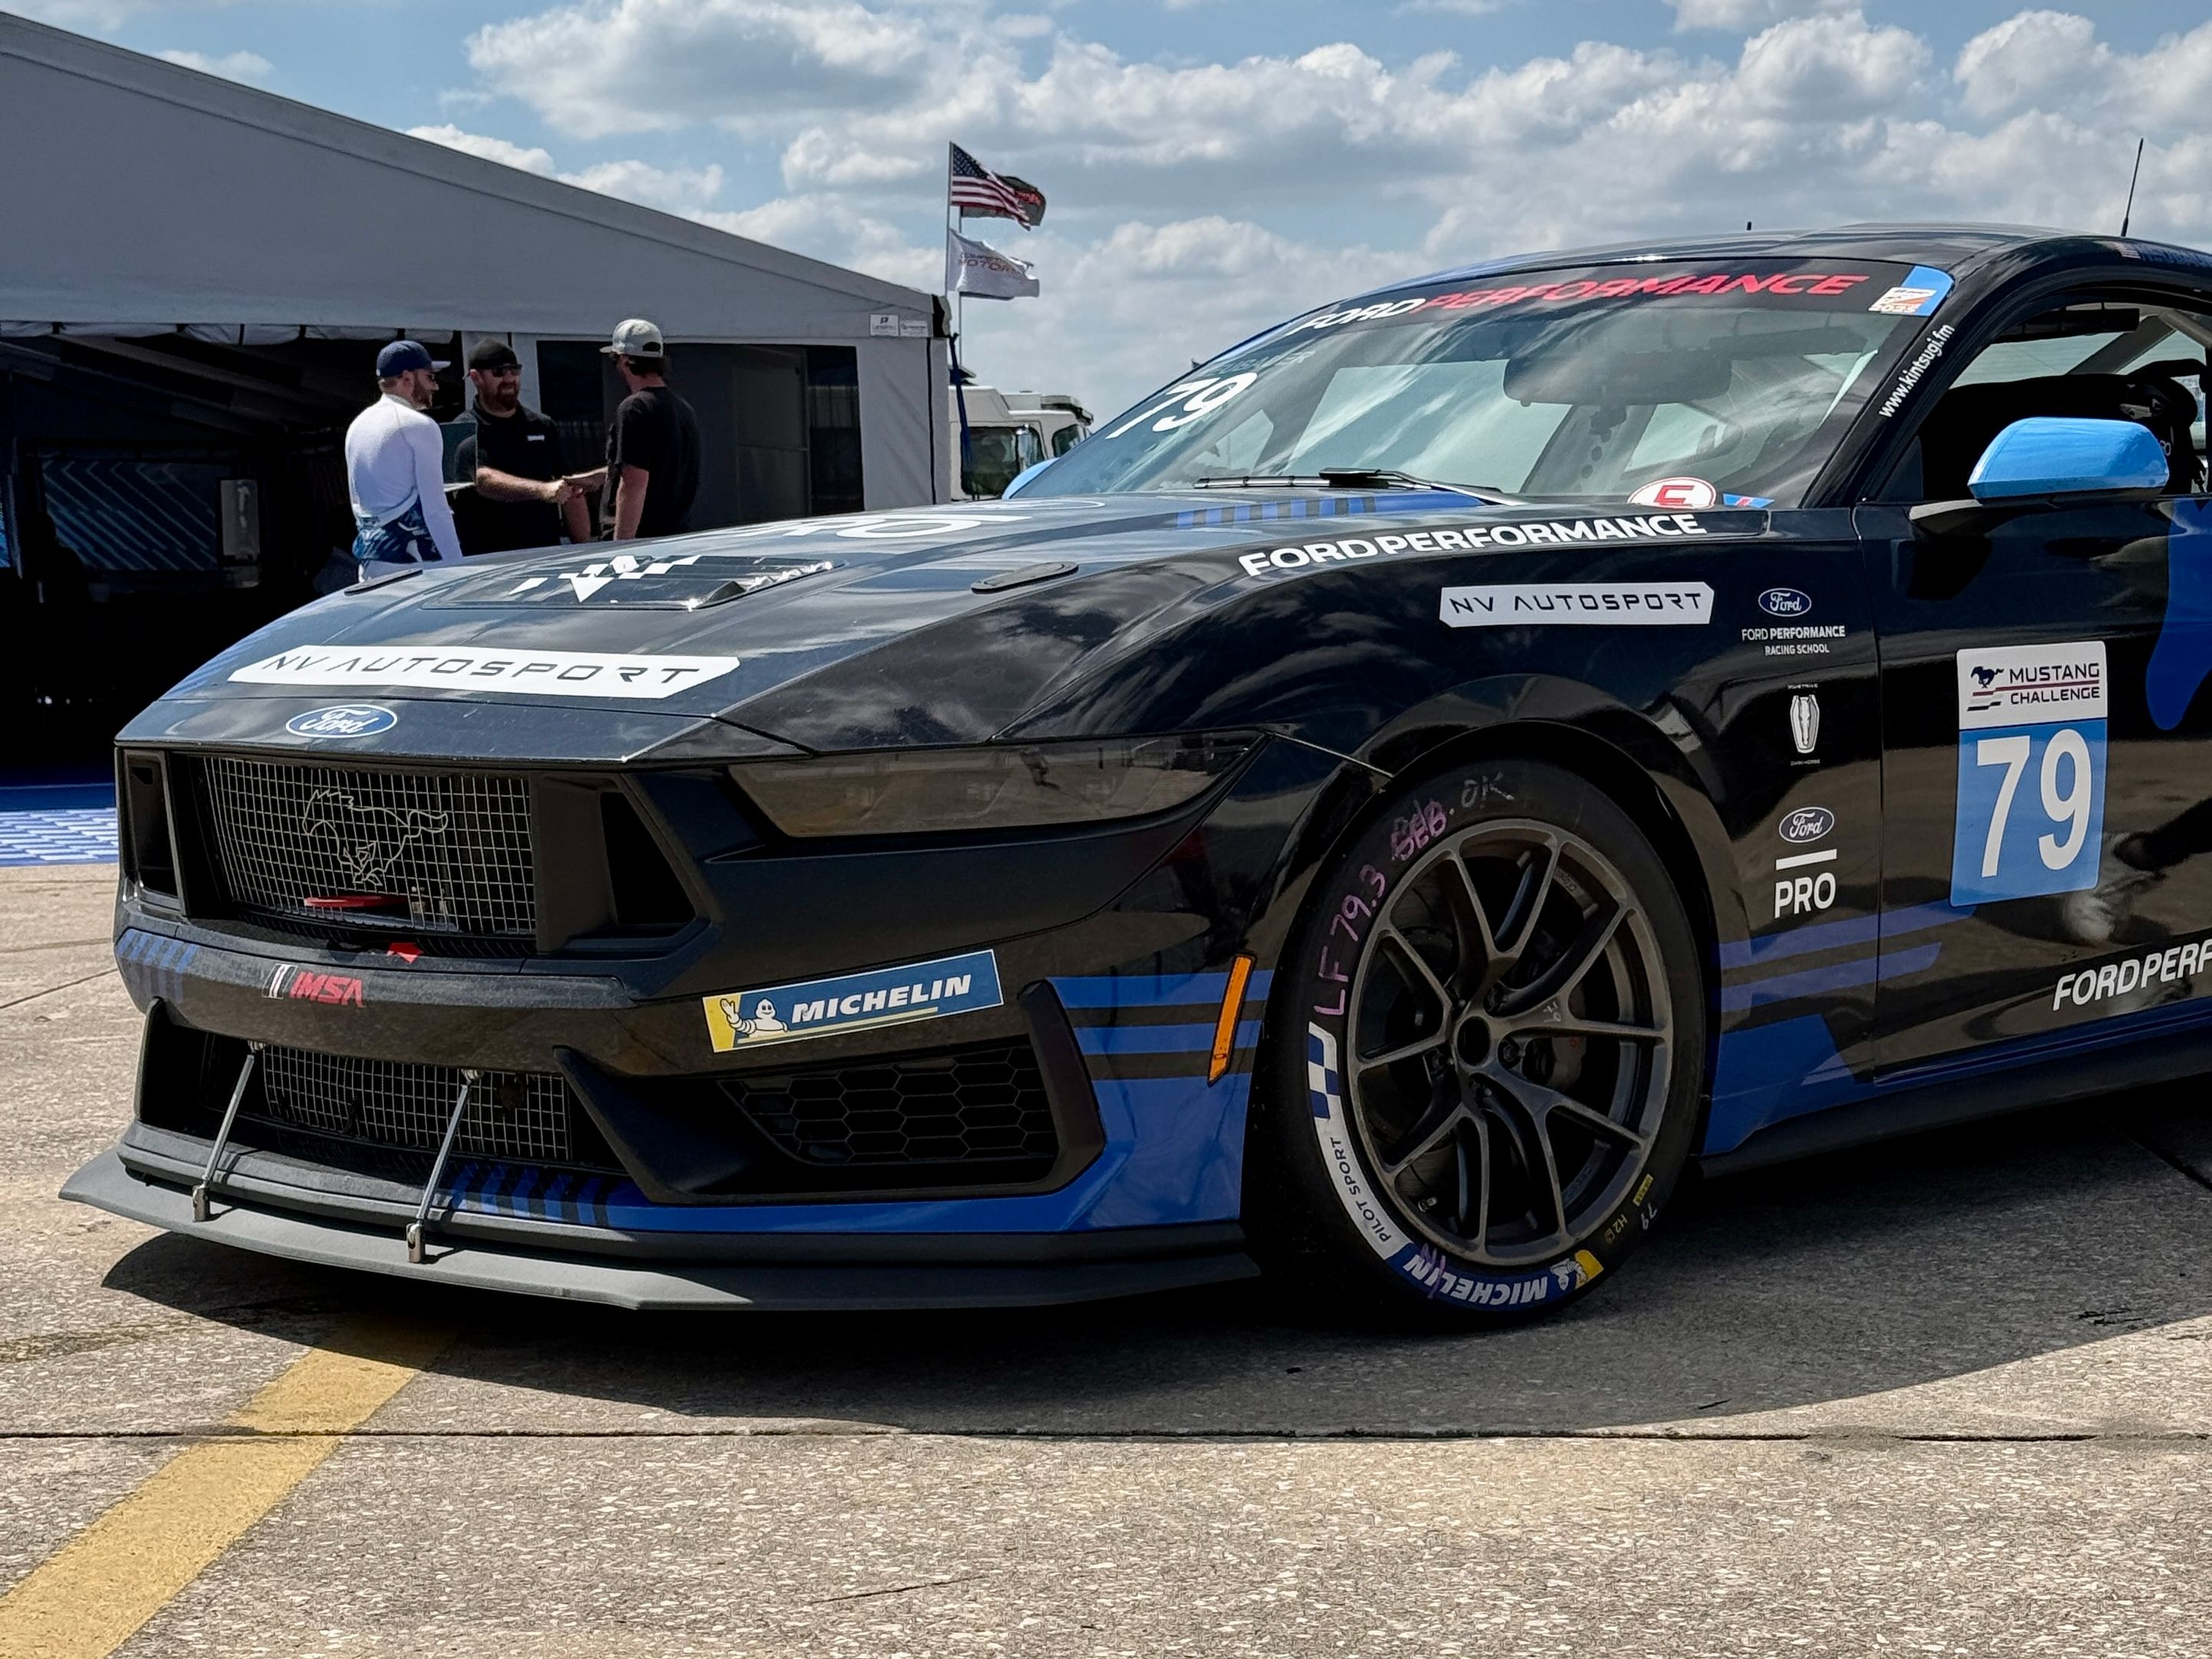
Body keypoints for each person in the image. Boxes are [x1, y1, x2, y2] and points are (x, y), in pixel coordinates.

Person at [453, 339, 587, 553]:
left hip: (545, 555)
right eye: (498, 372)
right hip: (489, 561)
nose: (509, 379)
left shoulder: (543, 426)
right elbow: (484, 480)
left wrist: (584, 547)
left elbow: (569, 487)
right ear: (477, 378)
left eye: (514, 371)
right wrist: (543, 490)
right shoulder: (464, 428)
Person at [343, 339, 464, 568]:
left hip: (371, 564)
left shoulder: (357, 426)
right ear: (407, 378)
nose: (435, 387)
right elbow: (436, 510)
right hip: (414, 566)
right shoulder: (419, 426)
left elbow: (357, 503)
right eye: (430, 377)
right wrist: (459, 568)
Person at [593, 319, 700, 541]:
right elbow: (659, 469)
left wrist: (621, 549)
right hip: (675, 541)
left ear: (622, 360)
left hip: (642, 546)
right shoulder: (683, 409)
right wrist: (595, 478)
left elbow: (634, 482)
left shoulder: (634, 409)